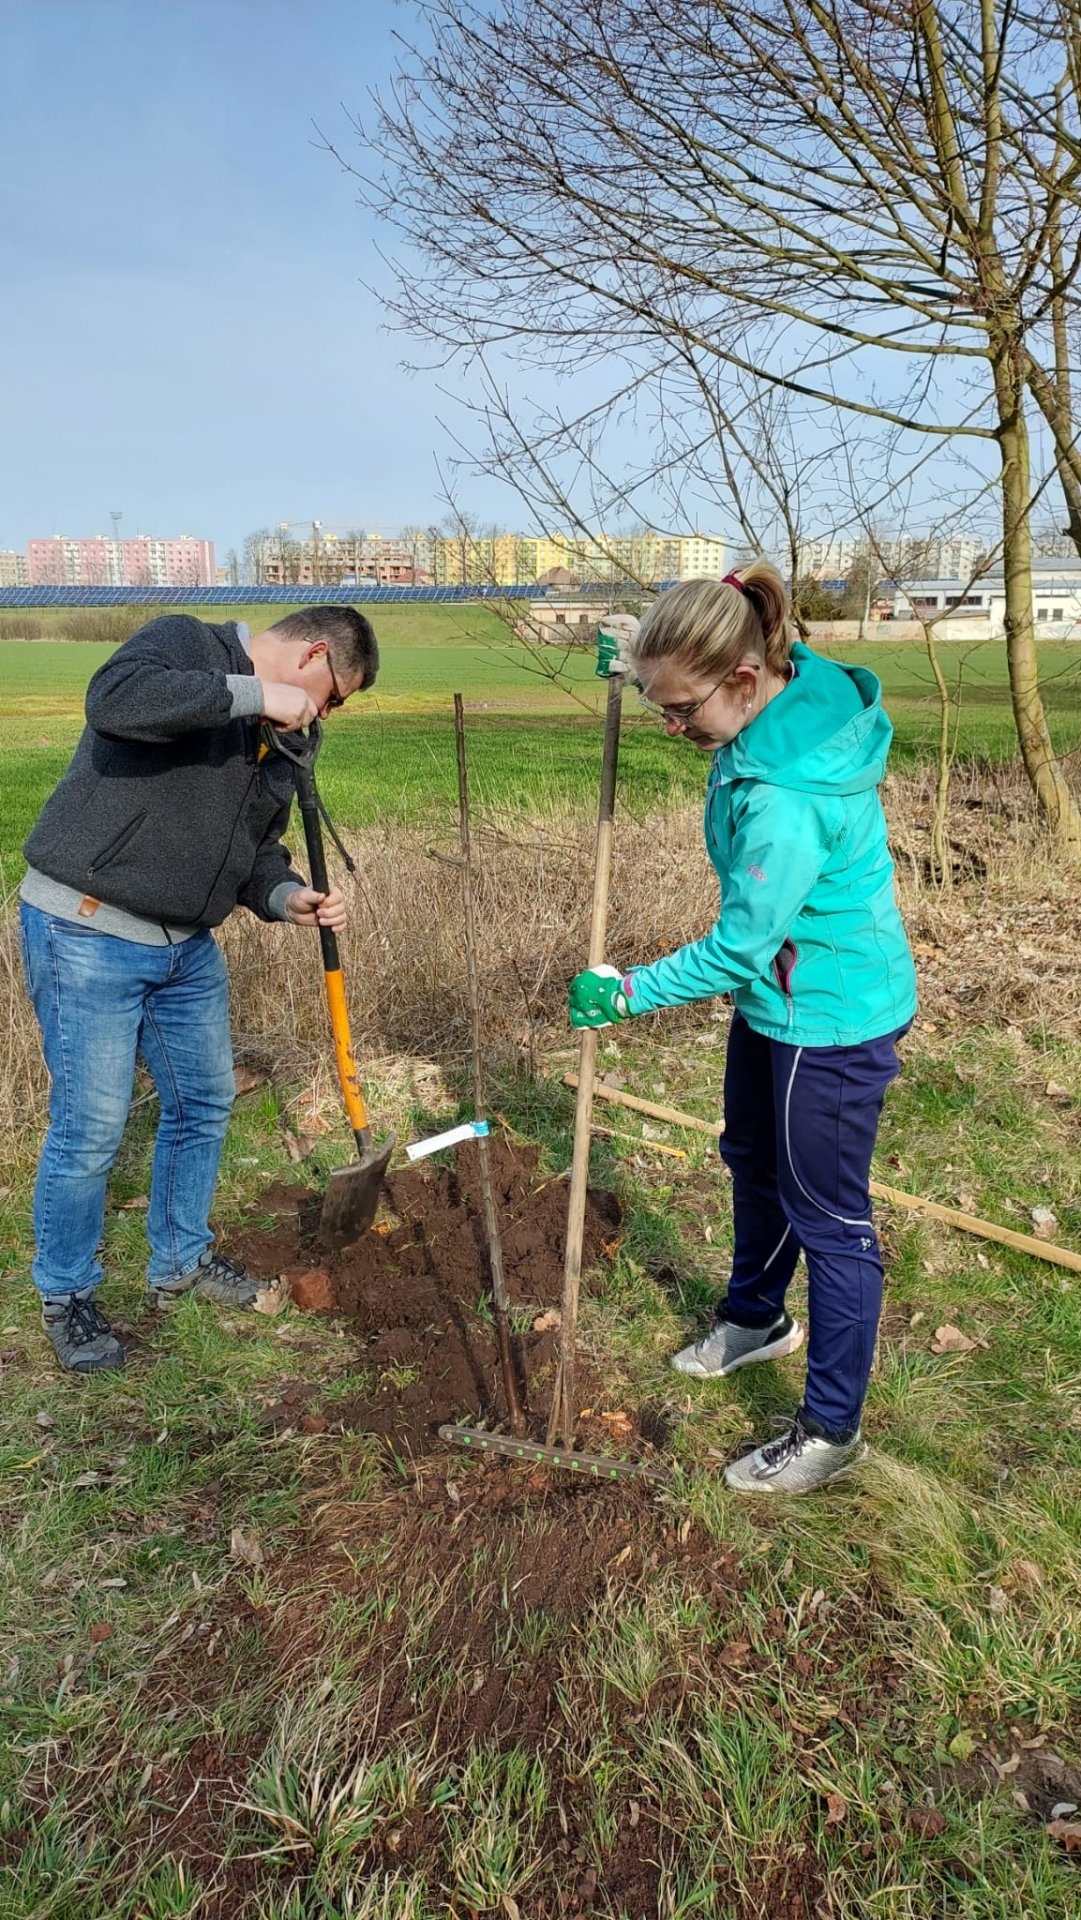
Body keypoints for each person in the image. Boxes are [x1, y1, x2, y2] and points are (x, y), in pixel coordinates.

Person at [569, 565, 917, 1495]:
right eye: (659, 708)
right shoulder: (774, 685)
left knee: (831, 1221)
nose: (672, 728)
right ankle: (756, 1317)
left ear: (744, 680)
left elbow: (738, 948)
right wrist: (636, 663)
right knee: (752, 1160)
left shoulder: (786, 799)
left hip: (829, 1016)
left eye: (682, 710)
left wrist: (627, 992)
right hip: (780, 999)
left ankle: (830, 1431)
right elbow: (735, 660)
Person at [20, 603, 378, 1376]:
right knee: (91, 1128)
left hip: (185, 947)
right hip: (87, 927)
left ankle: (180, 1261)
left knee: (203, 1104)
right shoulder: (188, 643)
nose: (324, 715)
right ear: (313, 655)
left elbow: (257, 849)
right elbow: (115, 701)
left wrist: (286, 896)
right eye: (333, 697)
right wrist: (253, 695)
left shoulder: (286, 735)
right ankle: (67, 1294)